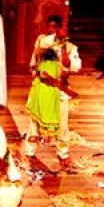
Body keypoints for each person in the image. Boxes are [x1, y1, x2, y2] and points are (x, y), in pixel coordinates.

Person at [24, 15, 81, 167]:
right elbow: (35, 60)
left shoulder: (70, 48)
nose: (51, 29)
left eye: (55, 27)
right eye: (49, 26)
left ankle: (63, 153)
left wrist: (63, 46)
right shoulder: (42, 41)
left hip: (59, 90)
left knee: (62, 124)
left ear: (61, 28)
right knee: (34, 123)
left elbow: (74, 67)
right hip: (42, 88)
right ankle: (30, 152)